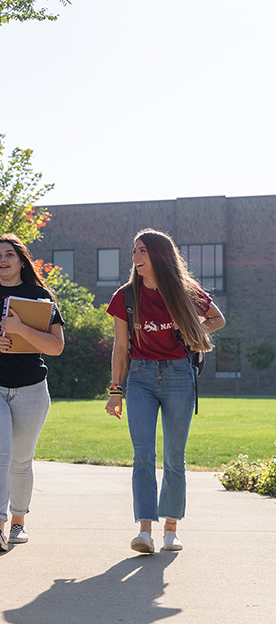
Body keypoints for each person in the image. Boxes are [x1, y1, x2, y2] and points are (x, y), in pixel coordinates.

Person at [105, 229, 225, 553]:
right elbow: (120, 346)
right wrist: (115, 390)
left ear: (158, 254)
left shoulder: (185, 292)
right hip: (141, 377)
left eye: (142, 250)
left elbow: (218, 319)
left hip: (179, 377)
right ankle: (144, 530)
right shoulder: (125, 297)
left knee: (174, 457)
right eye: (134, 251)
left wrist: (190, 329)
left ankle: (171, 528)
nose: (136, 256)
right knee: (143, 455)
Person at [0, 234, 64, 552]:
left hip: (31, 388)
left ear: (22, 260)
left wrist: (21, 329)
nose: (2, 260)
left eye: (9, 255)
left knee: (20, 460)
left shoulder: (39, 296)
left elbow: (56, 346)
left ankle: (18, 522)